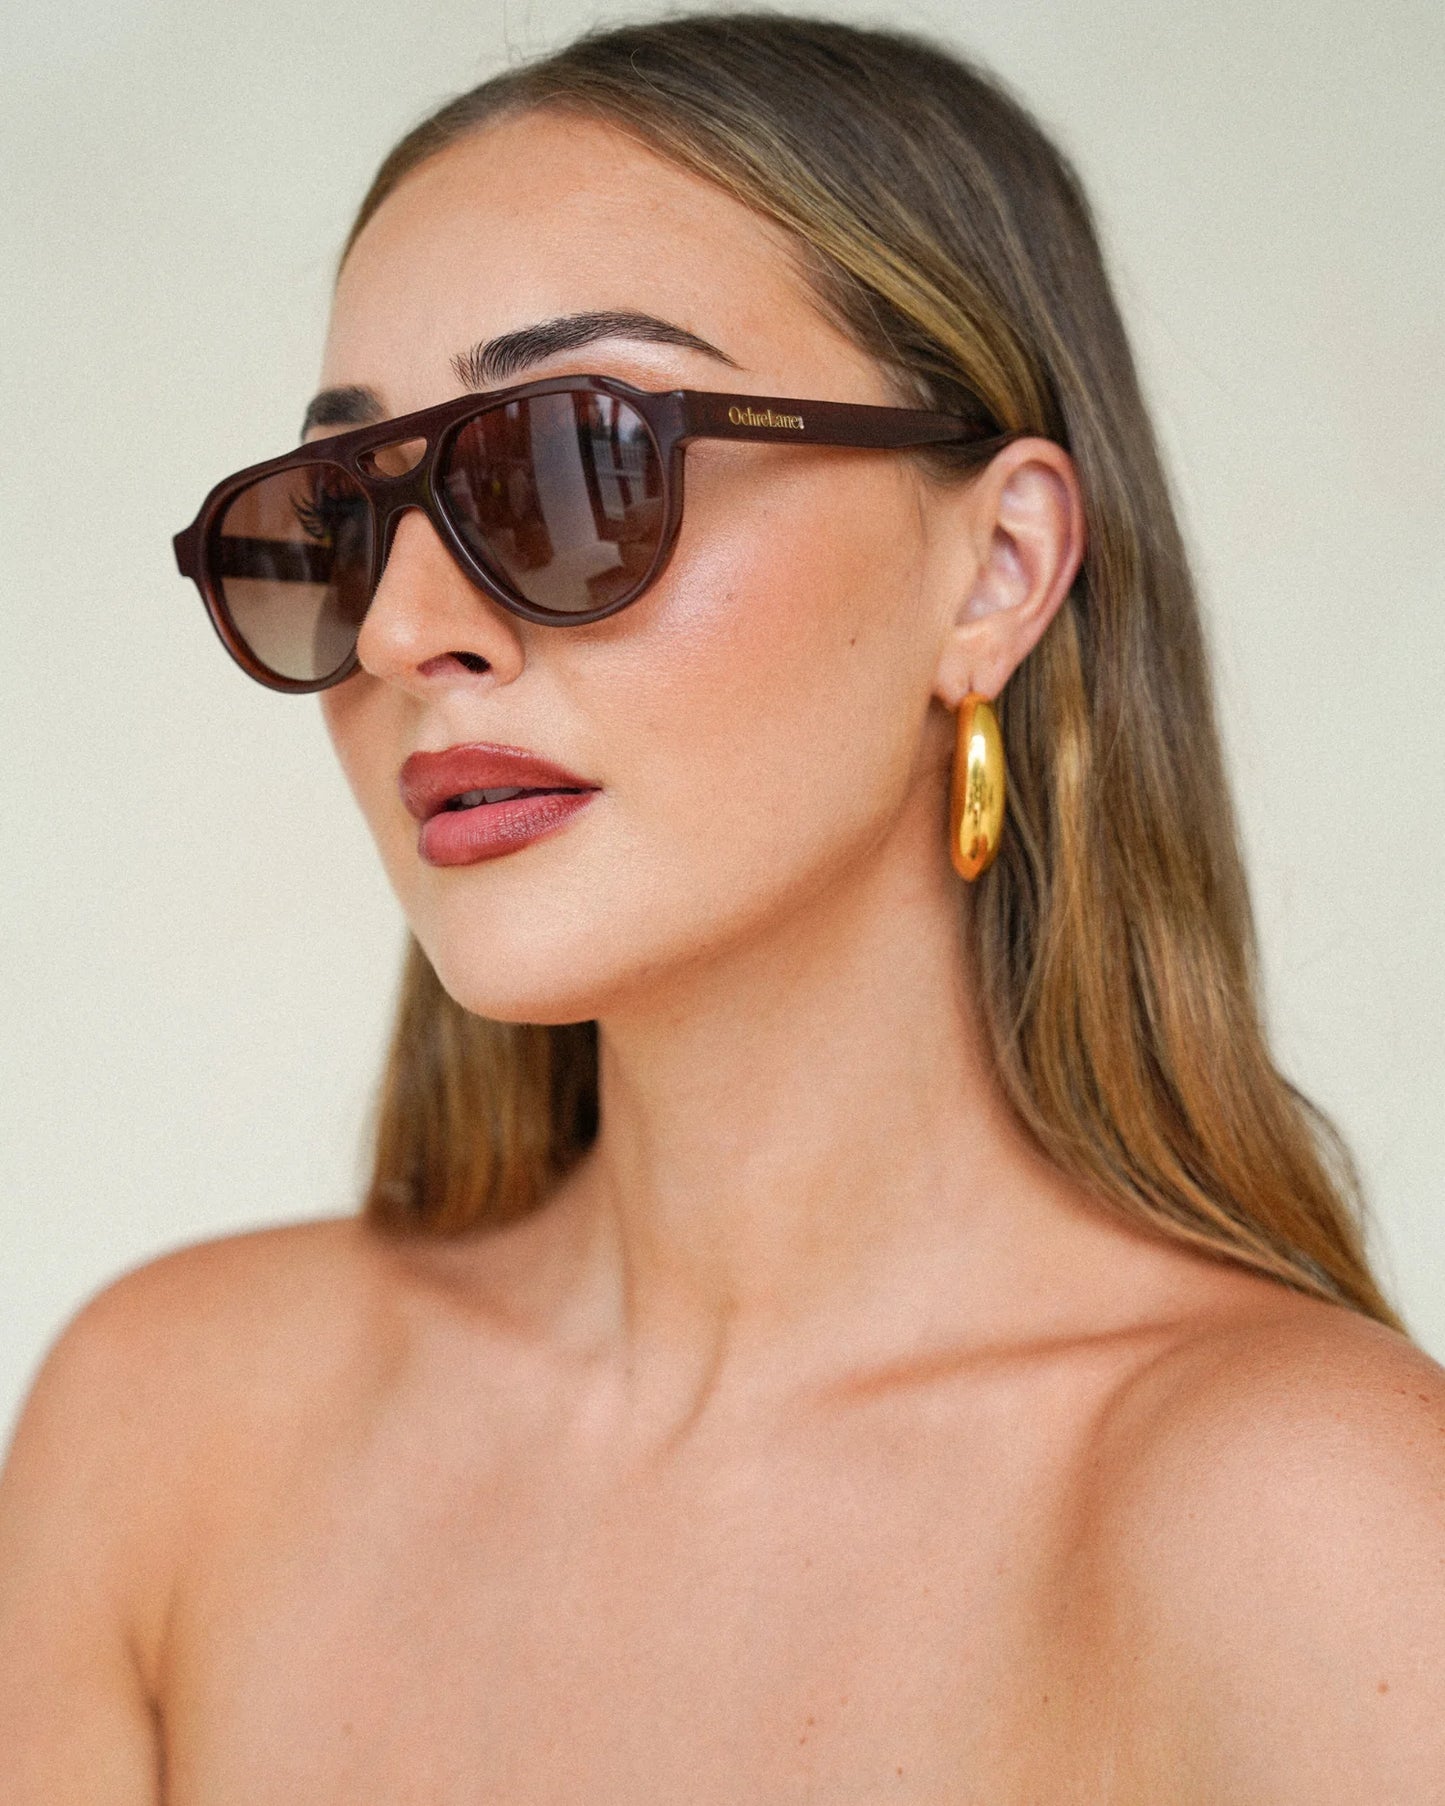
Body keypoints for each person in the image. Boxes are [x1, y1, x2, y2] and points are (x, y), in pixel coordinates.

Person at [2, 13, 1441, 1801]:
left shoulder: (1322, 1539)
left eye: (578, 464)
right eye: (348, 515)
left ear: (995, 569)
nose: (401, 630)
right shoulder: (167, 1433)